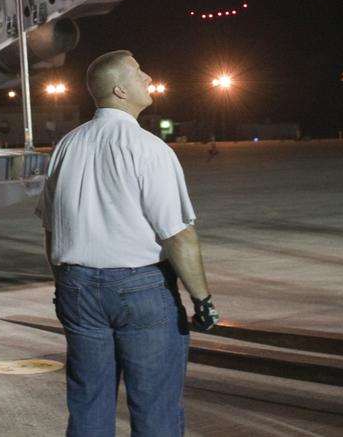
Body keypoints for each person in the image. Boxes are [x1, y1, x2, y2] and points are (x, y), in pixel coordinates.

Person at [36, 50, 219, 437]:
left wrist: (63, 285)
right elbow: (178, 234)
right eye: (139, 73)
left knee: (88, 402)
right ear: (120, 89)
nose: (149, 78)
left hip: (77, 286)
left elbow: (52, 229)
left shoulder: (66, 147)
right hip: (141, 291)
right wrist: (202, 300)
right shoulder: (149, 149)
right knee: (154, 406)